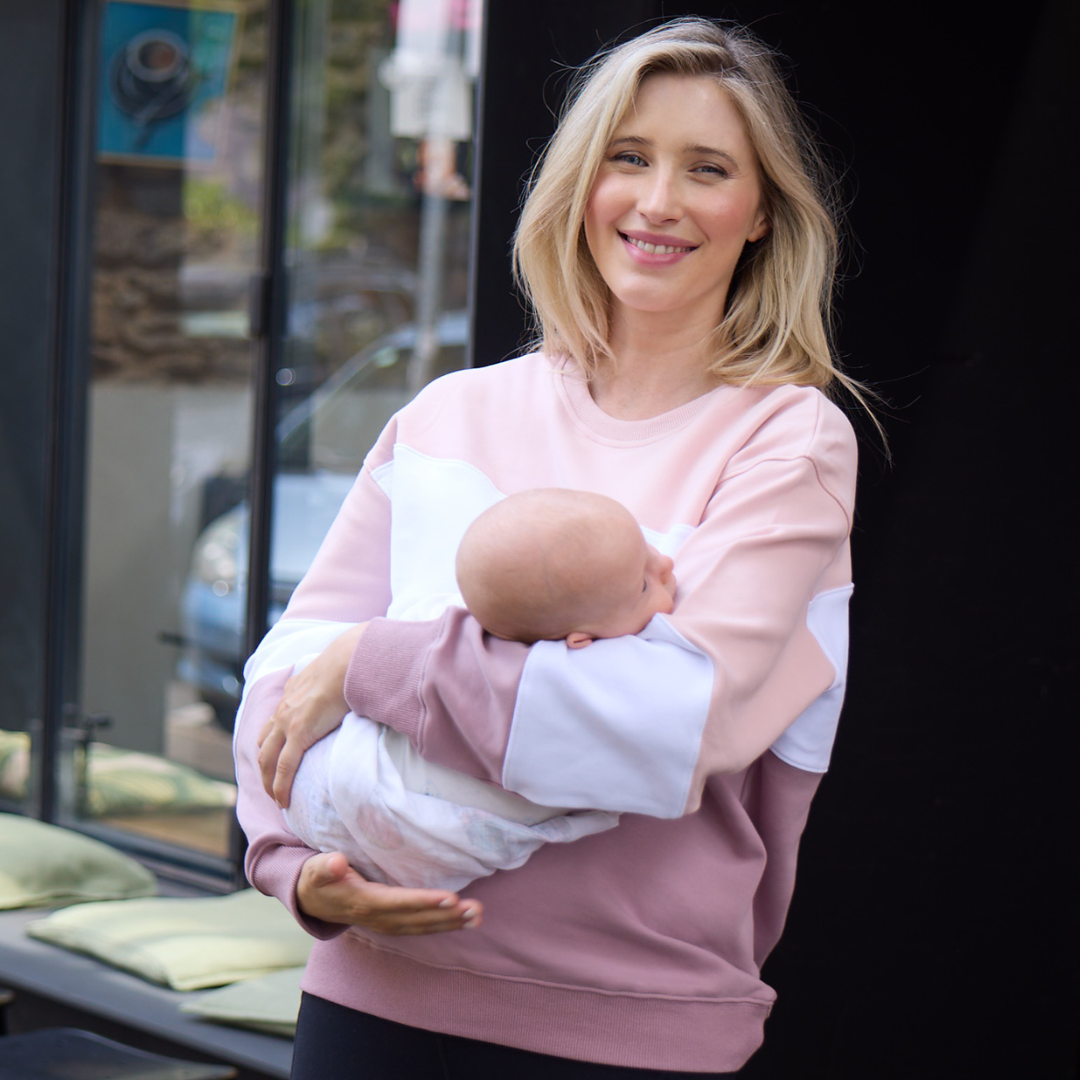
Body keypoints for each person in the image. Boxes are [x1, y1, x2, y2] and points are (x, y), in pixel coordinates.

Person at [235, 16, 861, 1078]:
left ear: (760, 214)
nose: (658, 201)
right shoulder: (447, 415)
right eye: (629, 157)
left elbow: (662, 725)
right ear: (582, 183)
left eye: (707, 169)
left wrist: (373, 664)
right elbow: (279, 682)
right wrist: (290, 863)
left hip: (628, 1027)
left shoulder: (788, 440)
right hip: (370, 1004)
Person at [278, 488, 676, 891]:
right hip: (359, 792)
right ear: (579, 641)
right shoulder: (565, 698)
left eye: (649, 550)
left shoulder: (482, 624)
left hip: (330, 827)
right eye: (643, 584)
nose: (667, 563)